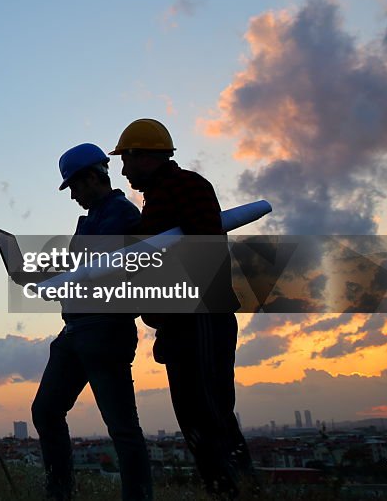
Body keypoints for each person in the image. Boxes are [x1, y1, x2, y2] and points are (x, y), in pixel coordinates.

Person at [110, 118, 256, 498]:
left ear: (144, 156)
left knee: (211, 415)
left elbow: (203, 254)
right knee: (194, 418)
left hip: (201, 320)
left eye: (126, 160)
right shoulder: (158, 197)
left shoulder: (187, 187)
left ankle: (239, 491)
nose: (123, 171)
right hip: (180, 326)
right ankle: (224, 490)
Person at [30, 143, 154, 501]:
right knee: (46, 410)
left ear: (91, 178)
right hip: (75, 330)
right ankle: (60, 491)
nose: (73, 196)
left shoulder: (120, 213)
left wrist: (68, 275)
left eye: (74, 186)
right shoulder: (94, 217)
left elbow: (104, 264)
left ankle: (138, 497)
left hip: (105, 330)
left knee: (122, 427)